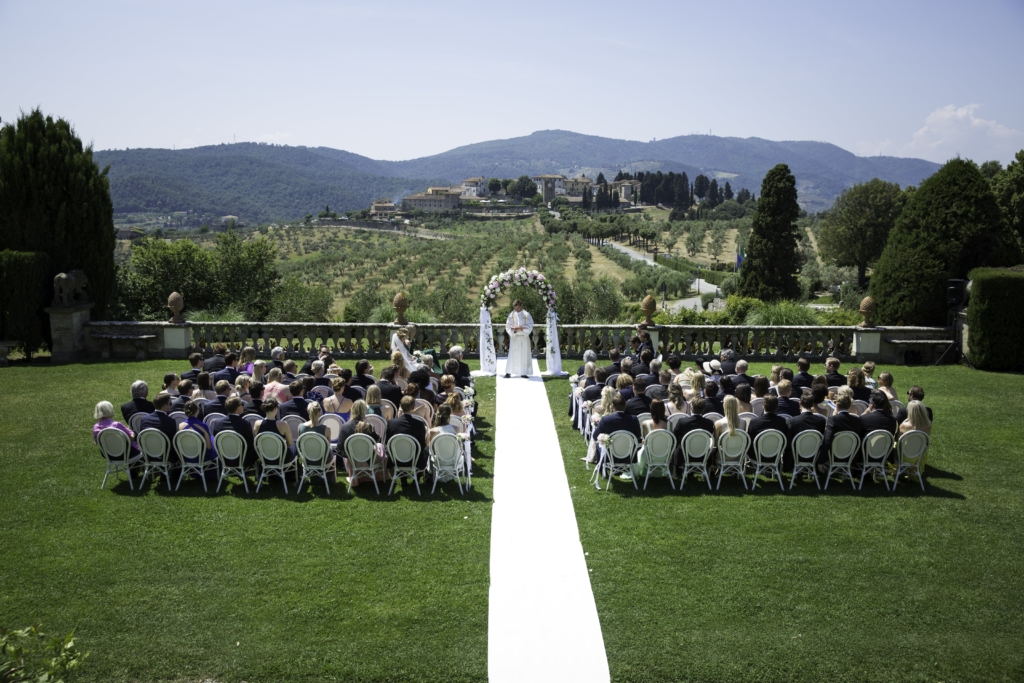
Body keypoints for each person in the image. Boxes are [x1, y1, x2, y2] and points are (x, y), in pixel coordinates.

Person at [386, 395, 430, 477]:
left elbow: (388, 442)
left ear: (401, 407)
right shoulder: (419, 424)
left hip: (396, 458)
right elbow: (421, 445)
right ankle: (417, 477)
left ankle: (403, 479)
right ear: (413, 407)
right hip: (414, 459)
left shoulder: (391, 423)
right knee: (427, 449)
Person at [671, 397, 716, 475]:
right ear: (704, 408)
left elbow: (674, 436)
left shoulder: (682, 421)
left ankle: (678, 471)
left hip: (684, 455)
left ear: (691, 408)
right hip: (703, 455)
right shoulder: (709, 423)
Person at [212, 396, 257, 467]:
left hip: (223, 458)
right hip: (242, 459)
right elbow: (250, 444)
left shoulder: (218, 423)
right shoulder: (245, 424)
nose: (243, 405)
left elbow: (216, 440)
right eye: (242, 404)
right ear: (238, 408)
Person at [820, 393, 864, 459]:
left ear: (837, 405)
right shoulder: (857, 420)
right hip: (851, 456)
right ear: (849, 406)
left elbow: (827, 440)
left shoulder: (833, 420)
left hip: (833, 456)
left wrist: (821, 460)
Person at [504, 299, 534, 378]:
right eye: (514, 308)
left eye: (517, 308)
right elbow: (507, 326)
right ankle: (509, 372)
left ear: (520, 306)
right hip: (515, 337)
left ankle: (523, 372)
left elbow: (530, 325)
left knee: (524, 355)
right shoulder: (511, 315)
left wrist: (521, 328)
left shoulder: (526, 315)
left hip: (524, 337)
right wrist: (513, 330)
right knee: (512, 354)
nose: (516, 310)